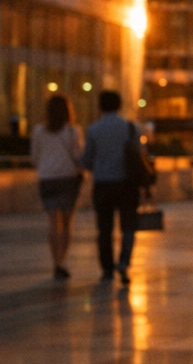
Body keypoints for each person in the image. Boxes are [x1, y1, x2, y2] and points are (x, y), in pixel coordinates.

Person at [80, 90, 139, 287]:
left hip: (103, 185)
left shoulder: (93, 130)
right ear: (119, 106)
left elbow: (87, 160)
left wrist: (98, 165)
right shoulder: (131, 128)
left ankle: (107, 269)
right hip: (127, 184)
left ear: (100, 106)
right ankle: (124, 262)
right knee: (128, 226)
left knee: (104, 229)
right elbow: (140, 155)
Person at [31, 94, 82, 280]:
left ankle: (56, 262)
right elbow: (78, 156)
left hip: (47, 179)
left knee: (53, 223)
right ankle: (62, 261)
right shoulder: (73, 132)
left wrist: (46, 167)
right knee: (67, 223)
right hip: (68, 179)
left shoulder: (39, 131)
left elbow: (34, 157)